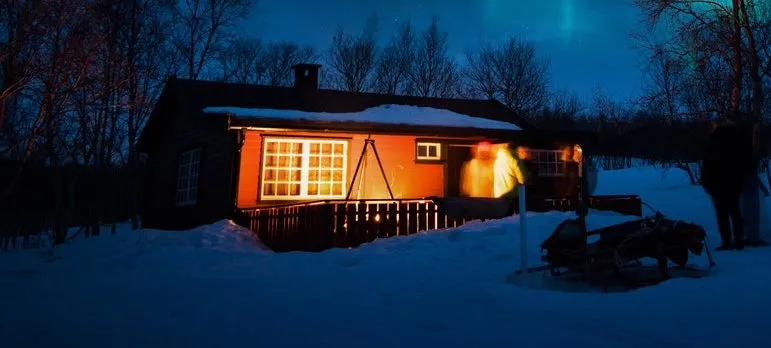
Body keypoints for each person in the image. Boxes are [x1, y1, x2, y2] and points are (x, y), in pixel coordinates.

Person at [701, 117, 754, 251]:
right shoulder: (736, 139)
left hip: (718, 183)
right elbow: (746, 162)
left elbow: (708, 163)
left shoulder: (715, 141)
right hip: (733, 182)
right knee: (734, 212)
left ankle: (727, 242)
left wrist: (706, 181)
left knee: (722, 213)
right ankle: (738, 241)